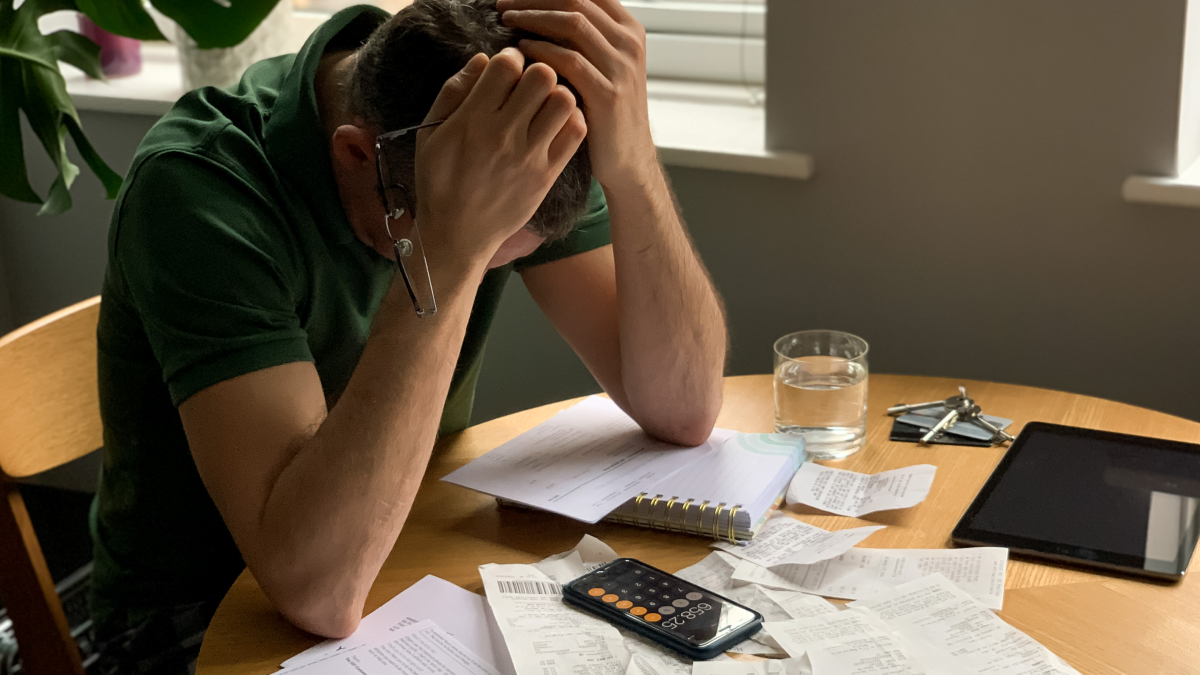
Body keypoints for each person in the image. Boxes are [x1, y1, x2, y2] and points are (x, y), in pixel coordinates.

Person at [91, 0, 726, 671]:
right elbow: (319, 590)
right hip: (192, 625)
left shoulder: (512, 131)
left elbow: (681, 408)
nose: (487, 271)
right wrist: (450, 252)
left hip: (396, 552)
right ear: (356, 154)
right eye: (482, 254)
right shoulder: (200, 189)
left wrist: (634, 164)